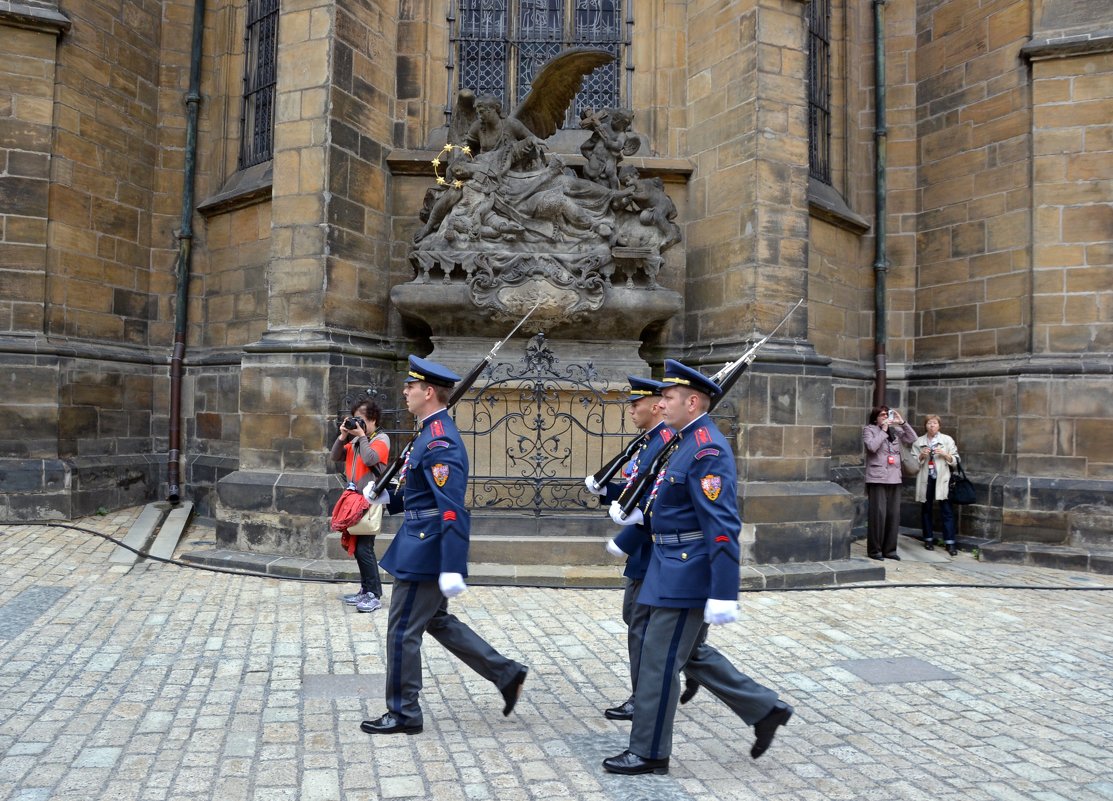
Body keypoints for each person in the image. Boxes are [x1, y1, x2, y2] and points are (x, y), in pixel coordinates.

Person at [601, 359, 793, 776]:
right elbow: (659, 509)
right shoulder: (682, 441)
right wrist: (627, 535)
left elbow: (722, 526)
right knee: (683, 655)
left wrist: (724, 592)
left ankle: (650, 752)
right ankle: (765, 709)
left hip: (686, 571)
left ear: (692, 401)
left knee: (659, 662)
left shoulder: (706, 447)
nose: (661, 402)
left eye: (668, 397)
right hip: (664, 567)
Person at [359, 356, 528, 736]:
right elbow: (420, 494)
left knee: (402, 631)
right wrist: (390, 496)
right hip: (419, 540)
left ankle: (404, 712)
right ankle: (506, 673)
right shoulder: (427, 432)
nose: (405, 392)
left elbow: (450, 508)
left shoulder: (441, 440)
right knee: (435, 620)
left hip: (426, 549)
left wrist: (453, 564)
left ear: (429, 392)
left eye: (411, 386)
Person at [585, 375, 673, 721]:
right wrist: (606, 491)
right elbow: (638, 488)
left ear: (656, 405)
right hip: (643, 547)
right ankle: (687, 666)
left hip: (650, 546)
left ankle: (645, 696)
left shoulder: (664, 442)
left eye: (636, 404)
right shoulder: (648, 441)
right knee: (636, 618)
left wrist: (626, 539)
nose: (631, 410)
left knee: (640, 624)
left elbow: (655, 500)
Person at [331, 399, 390, 613]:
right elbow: (334, 456)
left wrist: (362, 437)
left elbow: (370, 457)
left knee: (365, 548)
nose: (357, 424)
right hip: (354, 499)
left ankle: (373, 594)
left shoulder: (381, 439)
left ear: (373, 420)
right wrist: (343, 435)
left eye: (361, 420)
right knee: (358, 548)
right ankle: (365, 590)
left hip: (370, 500)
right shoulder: (355, 441)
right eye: (354, 419)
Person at [862, 406, 917, 560]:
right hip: (877, 477)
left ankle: (890, 550)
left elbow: (913, 439)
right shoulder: (869, 430)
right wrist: (883, 430)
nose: (885, 417)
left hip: (894, 477)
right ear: (875, 418)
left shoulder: (896, 431)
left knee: (893, 515)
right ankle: (875, 550)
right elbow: (872, 447)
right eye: (882, 415)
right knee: (878, 515)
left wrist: (902, 422)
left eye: (887, 414)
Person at [911, 414, 959, 556]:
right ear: (925, 426)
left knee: (947, 510)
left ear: (939, 425)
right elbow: (912, 463)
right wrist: (922, 456)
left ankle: (950, 543)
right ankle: (928, 540)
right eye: (929, 423)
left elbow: (956, 460)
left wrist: (945, 454)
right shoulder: (919, 442)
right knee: (926, 509)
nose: (932, 426)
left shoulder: (947, 440)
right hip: (926, 479)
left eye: (934, 423)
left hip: (942, 479)